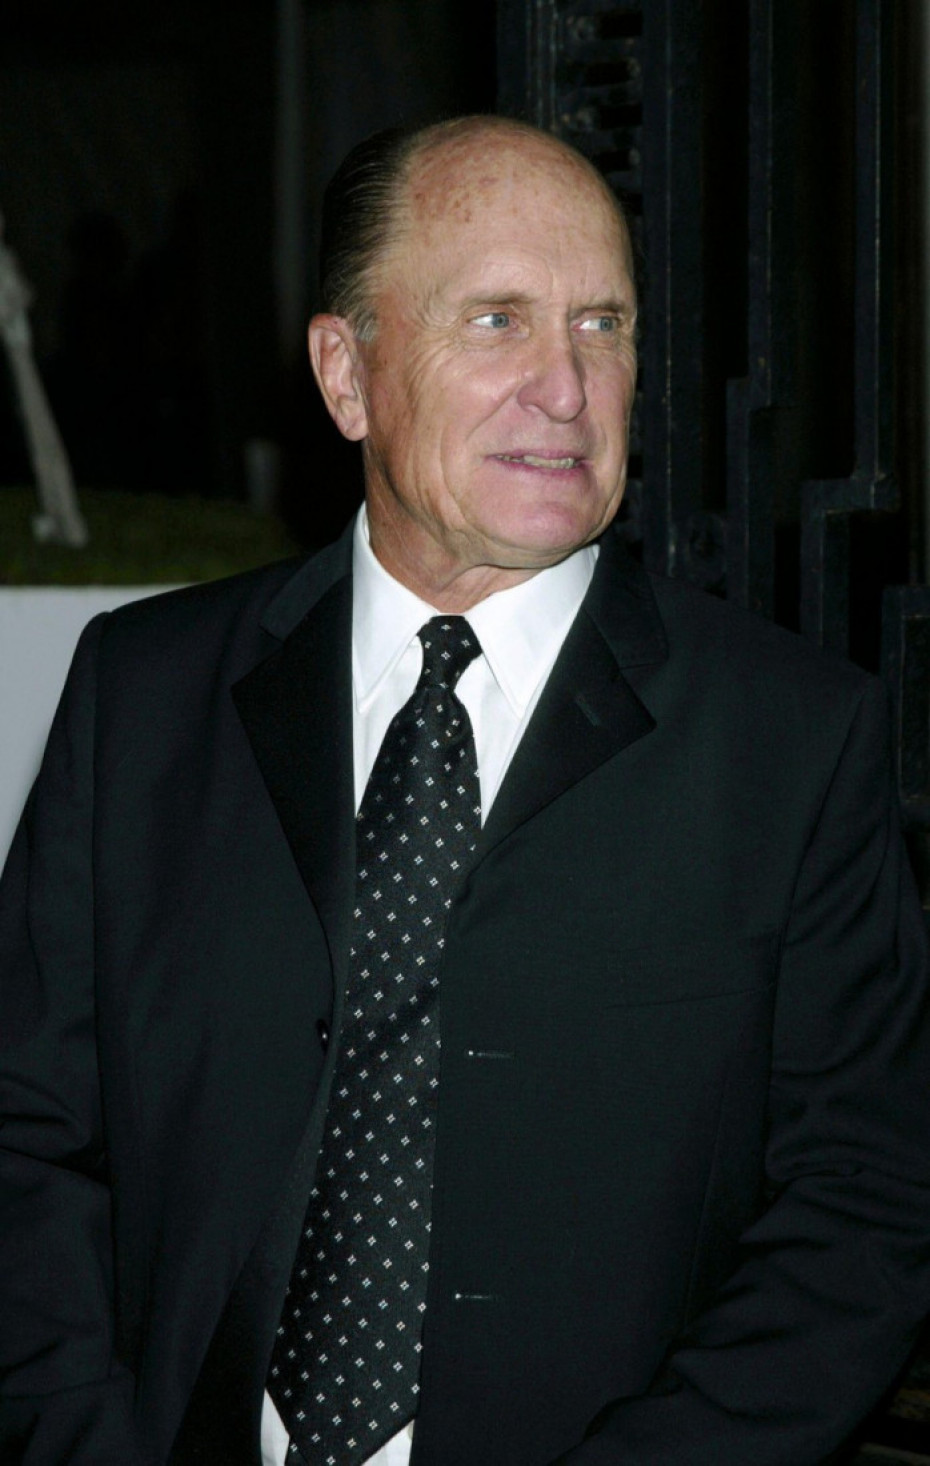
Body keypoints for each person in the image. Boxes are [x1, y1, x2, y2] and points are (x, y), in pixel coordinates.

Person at [1, 114, 929, 1466]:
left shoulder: (790, 741)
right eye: (498, 320)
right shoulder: (143, 696)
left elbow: (862, 1204)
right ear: (346, 374)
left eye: (602, 324)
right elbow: (25, 1139)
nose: (566, 385)